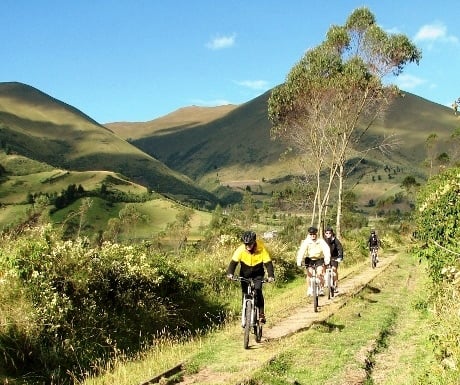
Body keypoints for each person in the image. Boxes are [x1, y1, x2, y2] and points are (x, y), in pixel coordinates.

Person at [227, 230, 275, 324]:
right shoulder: (240, 249)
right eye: (246, 244)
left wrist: (271, 275)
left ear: (254, 242)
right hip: (245, 274)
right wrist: (230, 273)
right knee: (245, 293)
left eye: (250, 243)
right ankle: (245, 313)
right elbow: (233, 263)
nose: (248, 246)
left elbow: (268, 263)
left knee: (258, 290)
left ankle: (261, 314)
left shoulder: (261, 248)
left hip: (258, 273)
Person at [296, 226, 331, 296]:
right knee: (309, 274)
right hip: (309, 259)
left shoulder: (321, 241)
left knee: (319, 272)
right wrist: (299, 261)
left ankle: (321, 288)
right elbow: (301, 251)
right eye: (311, 234)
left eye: (314, 234)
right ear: (309, 235)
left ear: (316, 234)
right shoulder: (306, 242)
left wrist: (327, 260)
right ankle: (309, 288)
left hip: (319, 259)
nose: (312, 236)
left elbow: (326, 250)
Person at [324, 226, 343, 293]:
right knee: (324, 269)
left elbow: (340, 248)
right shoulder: (323, 240)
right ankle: (326, 281)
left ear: (332, 233)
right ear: (325, 234)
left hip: (334, 257)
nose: (328, 234)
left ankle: (336, 286)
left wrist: (340, 256)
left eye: (329, 233)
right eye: (327, 233)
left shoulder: (335, 240)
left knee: (334, 270)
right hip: (326, 257)